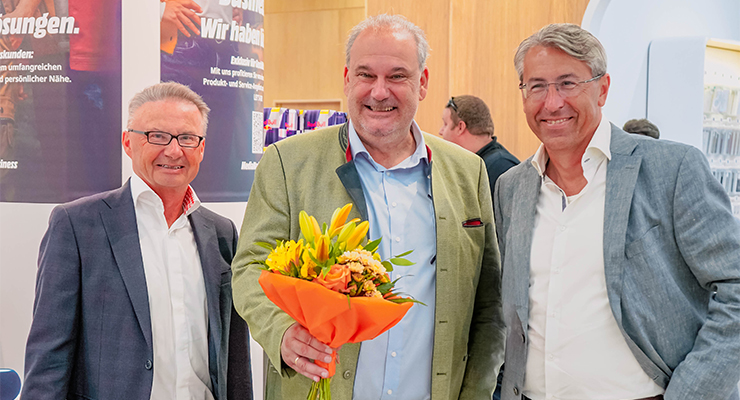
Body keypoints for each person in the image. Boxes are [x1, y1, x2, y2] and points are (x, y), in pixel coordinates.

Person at [231, 13, 504, 400]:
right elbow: (249, 268)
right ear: (346, 79)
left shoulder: (467, 171)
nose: (379, 92)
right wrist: (282, 332)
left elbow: (489, 303)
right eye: (365, 75)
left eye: (396, 76)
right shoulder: (287, 164)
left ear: (421, 83)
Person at [494, 23, 740, 400]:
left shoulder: (671, 170)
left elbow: (734, 286)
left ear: (603, 88)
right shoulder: (512, 187)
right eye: (537, 86)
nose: (552, 102)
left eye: (567, 83)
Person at [22, 82, 253, 400]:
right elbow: (48, 361)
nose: (173, 151)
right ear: (128, 142)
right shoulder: (77, 227)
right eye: (157, 136)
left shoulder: (222, 233)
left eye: (187, 138)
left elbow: (234, 357)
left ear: (201, 148)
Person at [439, 94, 519, 201]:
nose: (440, 132)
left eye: (445, 124)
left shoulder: (501, 167)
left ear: (460, 127)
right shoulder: (479, 164)